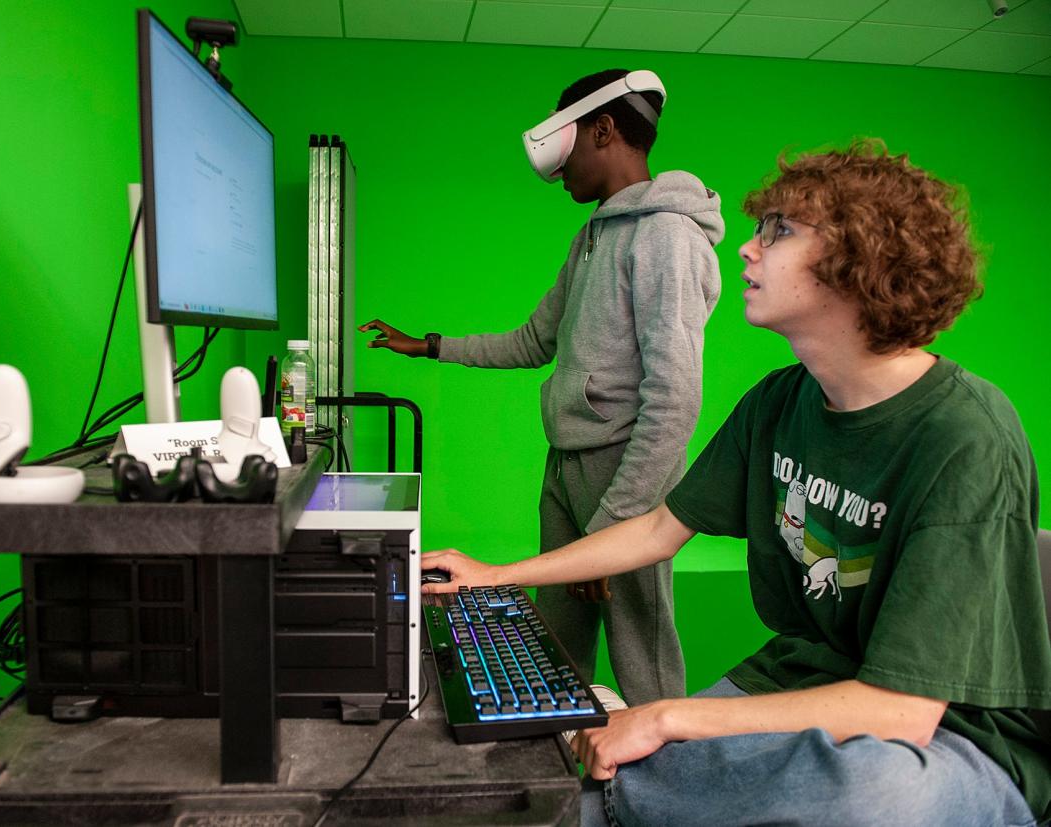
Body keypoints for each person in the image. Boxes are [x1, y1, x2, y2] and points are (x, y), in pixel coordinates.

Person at [422, 141, 1051, 826]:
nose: (748, 250)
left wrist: (663, 717)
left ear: (861, 259)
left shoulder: (965, 434)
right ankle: (637, 788)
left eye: (779, 230)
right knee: (665, 756)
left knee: (866, 794)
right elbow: (661, 527)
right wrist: (495, 575)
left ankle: (628, 791)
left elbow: (900, 710)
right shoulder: (781, 401)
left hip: (953, 742)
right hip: (803, 681)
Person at [360, 68, 724, 706]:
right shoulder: (592, 235)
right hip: (566, 466)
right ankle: (560, 756)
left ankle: (668, 778)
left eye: (568, 150)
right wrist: (431, 345)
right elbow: (534, 341)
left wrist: (609, 531)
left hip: (627, 475)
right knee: (557, 638)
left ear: (602, 129)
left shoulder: (667, 236)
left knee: (641, 647)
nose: (560, 176)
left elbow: (675, 400)